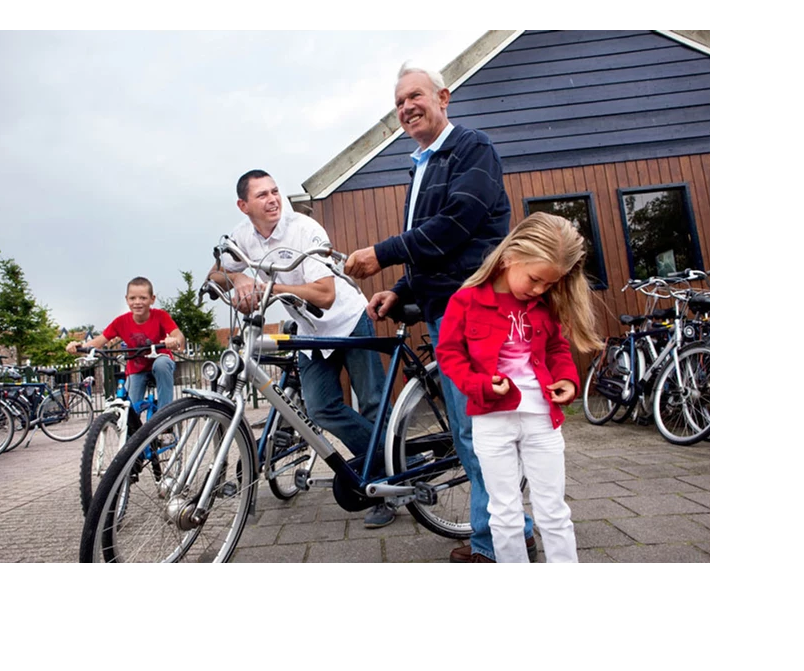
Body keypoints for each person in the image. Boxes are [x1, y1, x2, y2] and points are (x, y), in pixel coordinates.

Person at [344, 62, 536, 562]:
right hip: (443, 307)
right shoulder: (423, 163)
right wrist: (401, 287)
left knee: (476, 431)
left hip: (472, 308)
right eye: (399, 102)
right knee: (472, 429)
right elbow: (432, 249)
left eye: (415, 96)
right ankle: (520, 529)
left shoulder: (471, 148)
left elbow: (459, 223)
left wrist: (381, 254)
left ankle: (494, 547)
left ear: (443, 97)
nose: (406, 107)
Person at [207, 169, 397, 528]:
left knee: (371, 402)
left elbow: (325, 294)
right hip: (311, 331)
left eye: (275, 191)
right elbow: (216, 273)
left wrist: (267, 290)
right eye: (262, 195)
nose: (273, 199)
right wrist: (242, 277)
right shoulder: (242, 236)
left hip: (347, 320)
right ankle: (385, 462)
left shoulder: (304, 230)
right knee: (321, 407)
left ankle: (387, 486)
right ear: (243, 205)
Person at [435, 212, 604, 562]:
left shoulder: (544, 304)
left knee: (553, 509)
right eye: (535, 279)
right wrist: (480, 384)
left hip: (542, 418)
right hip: (491, 419)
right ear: (511, 255)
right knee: (504, 510)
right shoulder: (464, 302)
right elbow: (449, 354)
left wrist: (568, 380)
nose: (540, 290)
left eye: (549, 284)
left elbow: (557, 348)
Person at [66, 276, 185, 411]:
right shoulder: (120, 322)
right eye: (133, 298)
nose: (137, 302)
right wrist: (79, 347)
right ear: (127, 299)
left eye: (143, 298)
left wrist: (173, 340)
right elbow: (98, 341)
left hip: (159, 363)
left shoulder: (160, 316)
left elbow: (178, 335)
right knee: (130, 410)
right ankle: (131, 431)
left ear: (152, 299)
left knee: (162, 363)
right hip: (137, 369)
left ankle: (165, 414)